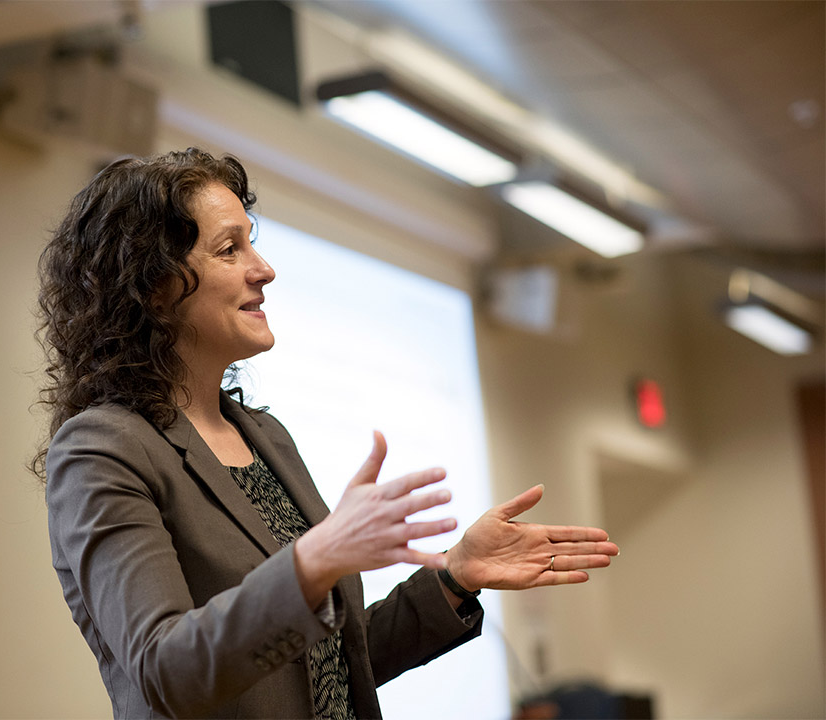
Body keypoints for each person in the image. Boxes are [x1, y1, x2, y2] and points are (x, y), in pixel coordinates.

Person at [34, 148, 618, 720]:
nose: (263, 269)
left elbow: (330, 664)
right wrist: (316, 558)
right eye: (228, 248)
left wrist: (454, 575)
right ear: (154, 284)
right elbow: (166, 674)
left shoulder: (265, 436)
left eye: (252, 242)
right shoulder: (102, 450)